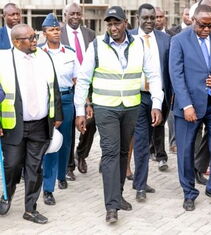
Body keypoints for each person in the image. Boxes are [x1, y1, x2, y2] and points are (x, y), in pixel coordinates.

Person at [74, 6, 164, 223]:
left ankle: (119, 195)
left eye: (117, 23)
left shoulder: (140, 44)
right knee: (111, 153)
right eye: (110, 24)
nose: (113, 28)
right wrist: (80, 110)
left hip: (131, 106)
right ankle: (111, 207)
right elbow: (83, 79)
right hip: (105, 108)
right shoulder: (96, 45)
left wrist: (157, 103)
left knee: (124, 152)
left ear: (126, 23)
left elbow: (154, 74)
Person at [169, 4, 211, 211]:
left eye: (210, 25)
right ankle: (189, 193)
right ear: (193, 20)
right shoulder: (178, 41)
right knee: (185, 152)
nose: (206, 29)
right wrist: (186, 105)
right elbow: (176, 75)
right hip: (189, 106)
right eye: (203, 25)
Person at [0, 24, 63, 224]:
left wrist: (57, 115)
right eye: (30, 38)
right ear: (17, 42)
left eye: (35, 36)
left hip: (40, 124)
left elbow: (54, 87)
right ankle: (6, 196)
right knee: (11, 166)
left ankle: (30, 208)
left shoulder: (44, 57)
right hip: (13, 126)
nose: (35, 40)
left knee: (34, 168)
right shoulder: (3, 61)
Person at [129, 3, 171, 201]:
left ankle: (141, 180)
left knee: (152, 138)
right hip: (136, 96)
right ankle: (140, 186)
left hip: (158, 96)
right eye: (145, 18)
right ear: (138, 18)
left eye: (152, 18)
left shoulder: (165, 39)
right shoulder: (128, 38)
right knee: (141, 141)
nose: (149, 21)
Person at [39, 13, 79, 205]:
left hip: (65, 99)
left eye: (57, 29)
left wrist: (83, 105)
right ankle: (48, 188)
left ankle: (62, 174)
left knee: (65, 141)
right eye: (51, 30)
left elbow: (77, 80)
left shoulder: (69, 52)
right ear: (44, 33)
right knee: (51, 143)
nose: (55, 32)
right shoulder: (38, 53)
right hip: (45, 102)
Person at [60, 2, 96, 179]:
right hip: (68, 86)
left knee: (91, 123)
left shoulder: (90, 34)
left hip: (87, 86)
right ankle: (68, 166)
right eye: (72, 14)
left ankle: (81, 154)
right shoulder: (58, 34)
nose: (75, 17)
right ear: (65, 15)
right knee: (69, 126)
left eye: (78, 14)